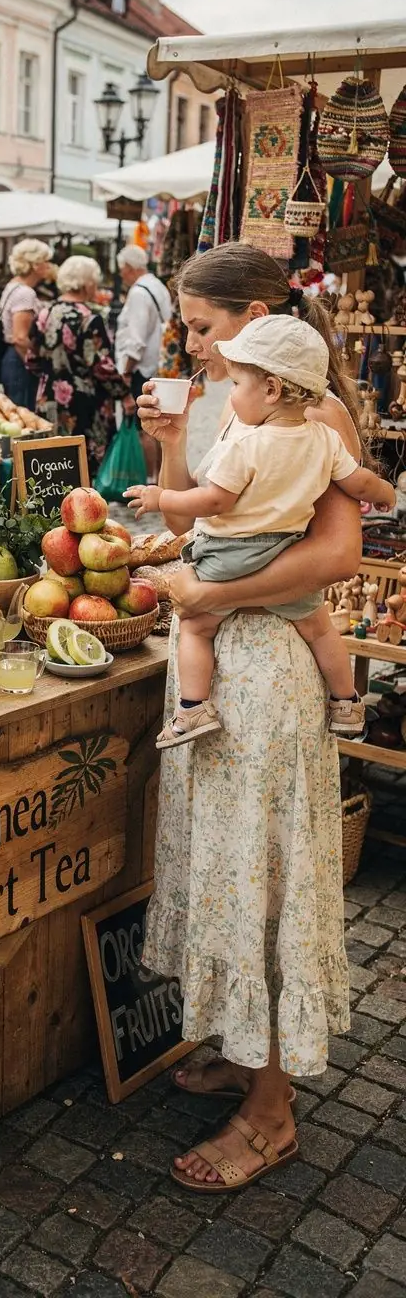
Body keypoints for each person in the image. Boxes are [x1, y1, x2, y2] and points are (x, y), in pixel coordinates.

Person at [135, 241, 361, 1195]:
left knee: (263, 879)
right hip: (226, 660)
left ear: (265, 317)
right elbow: (212, 520)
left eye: (202, 327)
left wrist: (213, 600)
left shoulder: (319, 409)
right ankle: (240, 1045)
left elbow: (338, 557)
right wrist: (170, 445)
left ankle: (272, 1114)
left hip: (269, 673)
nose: (192, 344)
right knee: (228, 867)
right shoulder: (242, 401)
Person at [128, 314, 395, 747]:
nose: (230, 395)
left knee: (197, 627)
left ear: (270, 389)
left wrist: (162, 498)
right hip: (284, 551)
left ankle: (193, 709)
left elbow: (213, 502)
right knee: (321, 628)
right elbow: (358, 481)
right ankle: (346, 702)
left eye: (236, 385)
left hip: (232, 556)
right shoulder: (322, 438)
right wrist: (384, 492)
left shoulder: (247, 444)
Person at [28, 255, 132, 475]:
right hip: (84, 403)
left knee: (54, 465)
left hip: (48, 399)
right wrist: (124, 394)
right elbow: (102, 365)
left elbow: (32, 358)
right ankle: (84, 508)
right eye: (94, 281)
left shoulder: (44, 314)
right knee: (83, 466)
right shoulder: (89, 319)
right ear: (86, 283)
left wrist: (52, 376)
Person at [114, 245, 172, 480]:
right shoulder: (157, 285)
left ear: (129, 267)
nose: (120, 275)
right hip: (158, 364)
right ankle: (159, 476)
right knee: (157, 425)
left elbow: (136, 340)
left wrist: (126, 371)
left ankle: (149, 478)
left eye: (121, 270)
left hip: (142, 368)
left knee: (144, 427)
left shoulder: (138, 293)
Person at [0, 239, 53, 409]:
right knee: (23, 411)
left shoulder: (13, 286)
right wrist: (35, 366)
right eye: (46, 261)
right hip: (19, 361)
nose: (49, 266)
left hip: (12, 358)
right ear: (35, 265)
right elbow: (20, 338)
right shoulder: (25, 293)